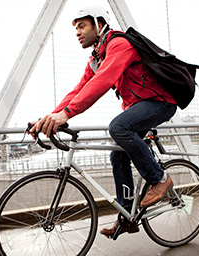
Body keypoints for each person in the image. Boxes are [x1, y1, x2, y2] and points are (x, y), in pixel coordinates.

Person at [29, 3, 177, 238]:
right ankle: (127, 217)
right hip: (139, 106)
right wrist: (50, 116)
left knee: (118, 127)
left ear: (99, 24)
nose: (77, 32)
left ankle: (160, 178)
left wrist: (66, 114)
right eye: (75, 28)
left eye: (82, 26)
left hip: (161, 103)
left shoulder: (120, 45)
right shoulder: (97, 57)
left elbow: (102, 82)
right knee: (117, 154)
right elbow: (79, 89)